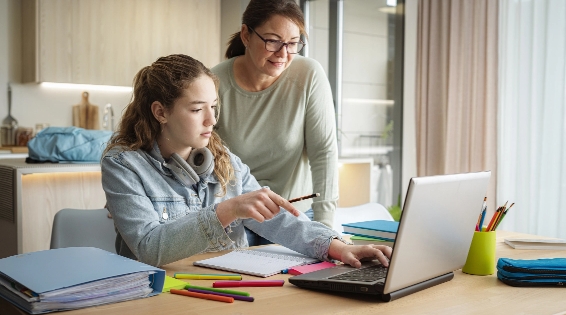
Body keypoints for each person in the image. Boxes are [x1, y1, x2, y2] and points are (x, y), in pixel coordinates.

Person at [100, 54, 391, 268]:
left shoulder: (225, 159)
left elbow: (277, 220)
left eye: (213, 107)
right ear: (160, 112)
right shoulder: (123, 165)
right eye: (197, 109)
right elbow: (149, 248)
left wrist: (338, 247)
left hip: (232, 290)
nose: (212, 120)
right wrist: (226, 211)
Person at [212, 0, 338, 245]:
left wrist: (325, 229)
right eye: (272, 41)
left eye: (293, 43)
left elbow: (323, 153)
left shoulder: (308, 75)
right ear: (246, 35)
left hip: (297, 217)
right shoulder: (214, 83)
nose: (283, 54)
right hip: (239, 223)